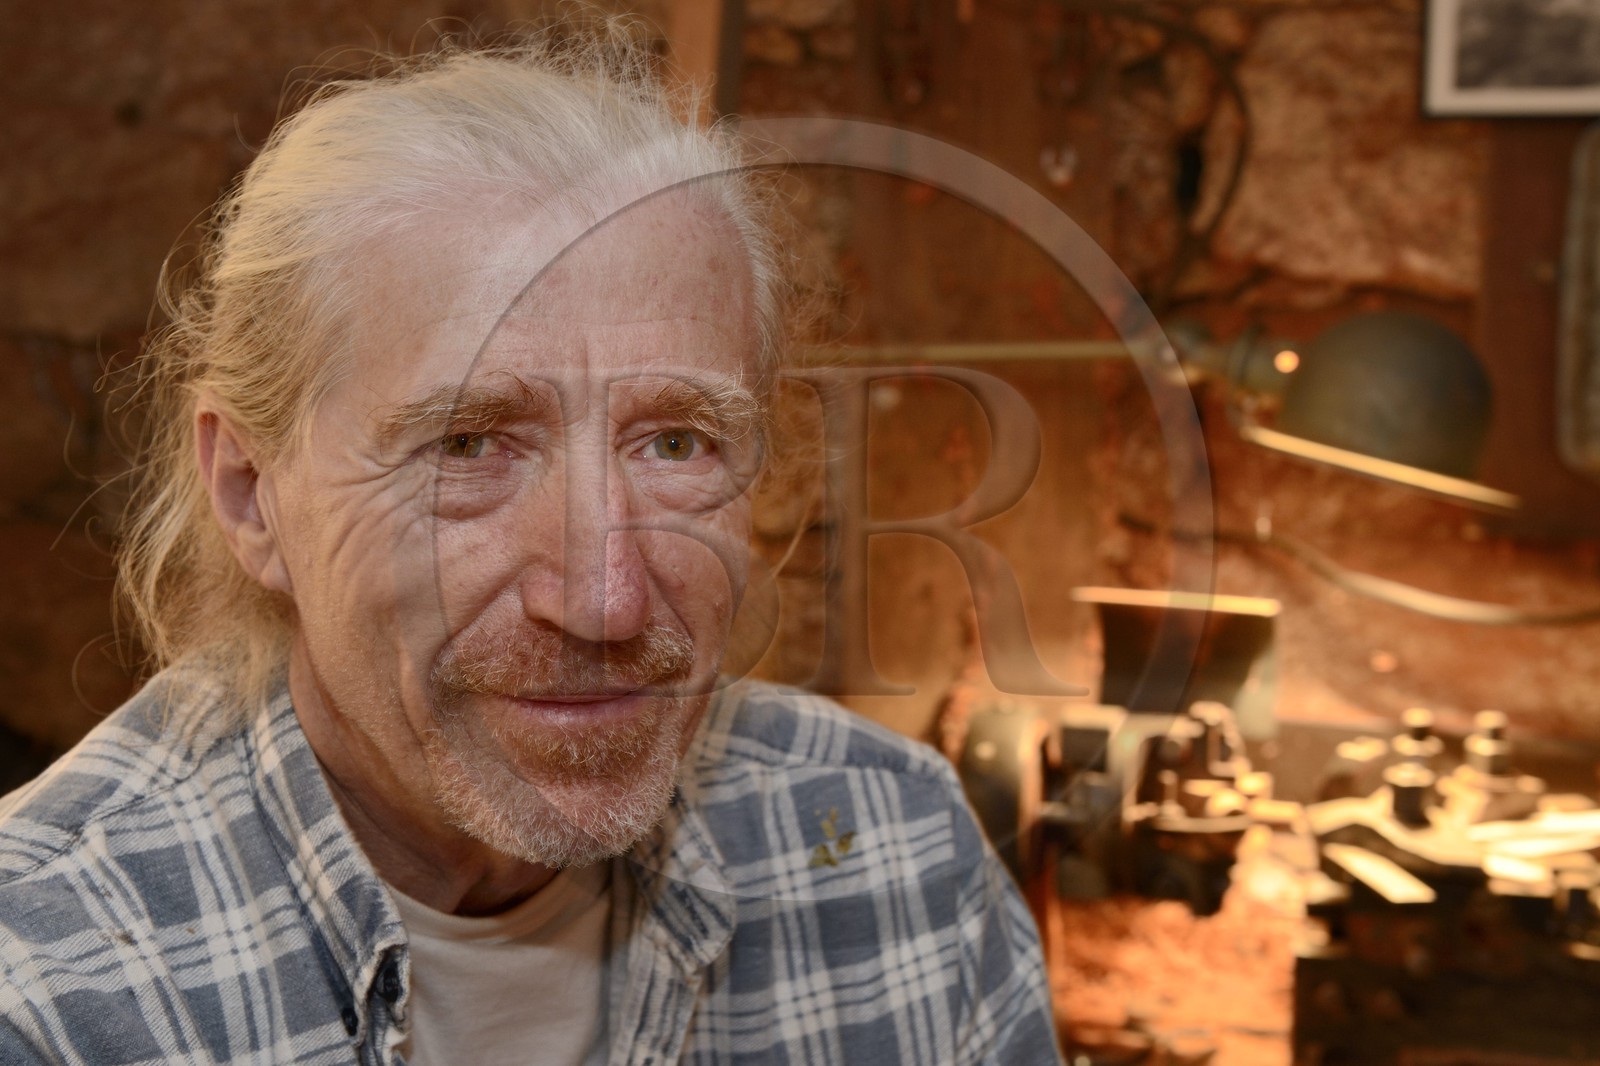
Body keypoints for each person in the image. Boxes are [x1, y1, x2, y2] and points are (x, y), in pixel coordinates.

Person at [0, 34, 1061, 1066]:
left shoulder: (894, 847)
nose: (605, 600)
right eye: (468, 444)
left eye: (677, 442)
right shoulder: (50, 985)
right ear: (250, 494)